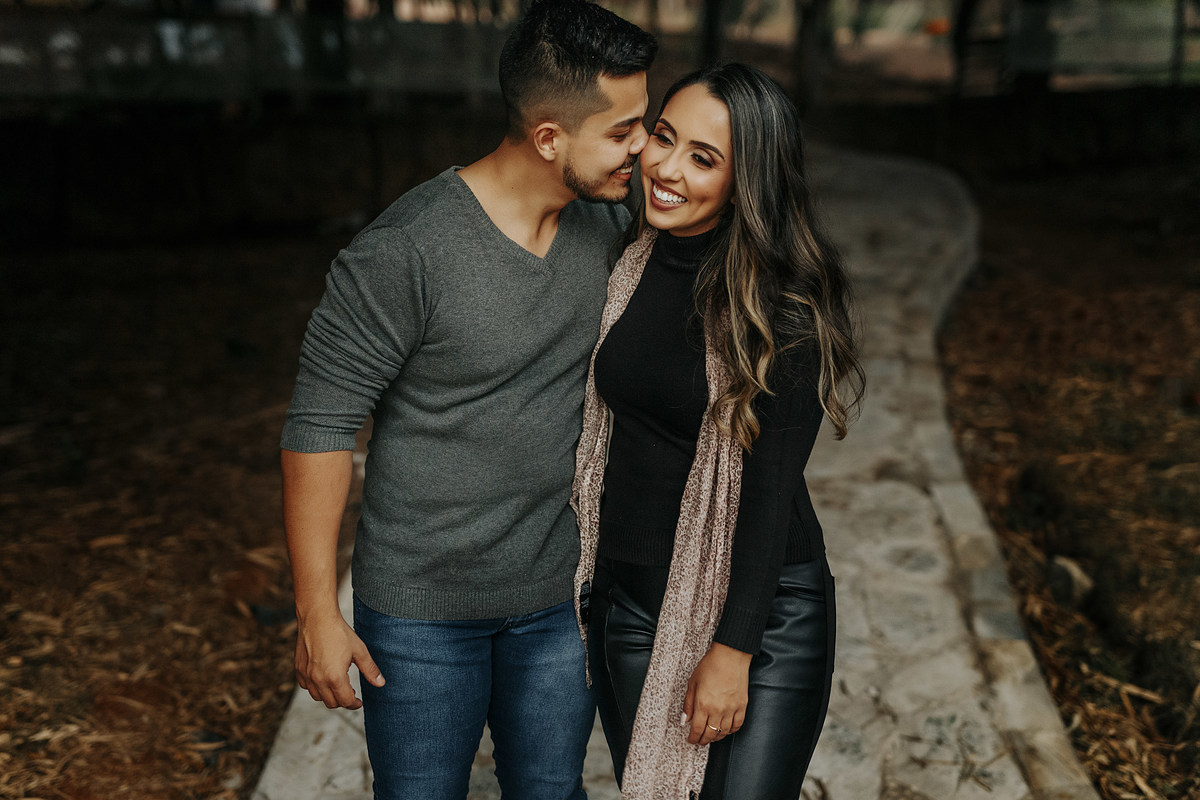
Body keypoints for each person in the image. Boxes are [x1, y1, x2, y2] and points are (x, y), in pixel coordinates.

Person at [279, 2, 656, 798]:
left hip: (558, 599)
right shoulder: (404, 251)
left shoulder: (613, 224)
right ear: (550, 137)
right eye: (623, 131)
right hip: (421, 612)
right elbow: (319, 425)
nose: (643, 151)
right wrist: (317, 611)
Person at [571, 63, 865, 800]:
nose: (666, 169)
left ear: (747, 181)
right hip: (631, 605)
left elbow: (768, 493)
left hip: (767, 620)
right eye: (664, 139)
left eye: (703, 158)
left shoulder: (778, 307)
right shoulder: (626, 266)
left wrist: (733, 650)